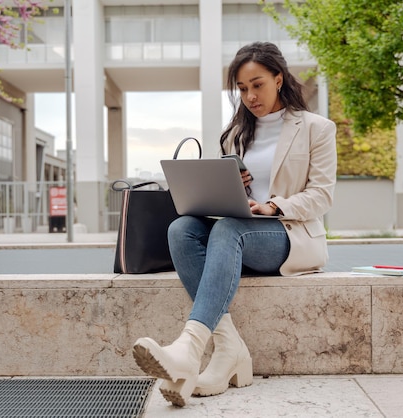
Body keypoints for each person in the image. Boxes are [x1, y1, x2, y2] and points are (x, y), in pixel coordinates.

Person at [132, 41, 337, 407]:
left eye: (257, 85)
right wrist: (229, 193)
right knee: (181, 229)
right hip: (241, 227)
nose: (250, 96)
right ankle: (229, 350)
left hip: (289, 235)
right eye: (242, 89)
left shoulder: (316, 128)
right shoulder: (234, 135)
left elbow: (322, 196)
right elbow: (227, 197)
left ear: (278, 78)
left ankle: (188, 351)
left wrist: (273, 206)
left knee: (229, 229)